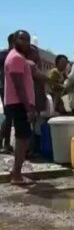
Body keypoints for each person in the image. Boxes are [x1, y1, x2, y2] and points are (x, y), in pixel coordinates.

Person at [4, 30, 36, 185]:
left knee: (23, 138)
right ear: (15, 40)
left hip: (17, 103)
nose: (26, 42)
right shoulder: (16, 58)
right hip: (19, 104)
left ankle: (16, 171)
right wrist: (28, 108)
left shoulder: (17, 57)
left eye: (28, 39)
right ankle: (16, 175)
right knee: (23, 139)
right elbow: (19, 86)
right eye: (22, 39)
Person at [0, 33, 14, 153]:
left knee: (9, 116)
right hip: (6, 88)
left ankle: (5, 143)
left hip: (7, 88)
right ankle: (4, 143)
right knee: (9, 116)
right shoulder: (5, 55)